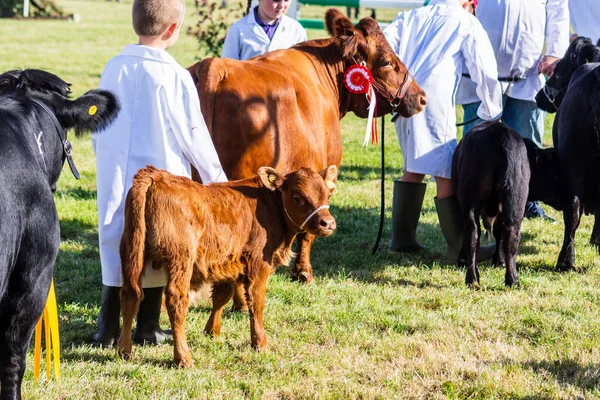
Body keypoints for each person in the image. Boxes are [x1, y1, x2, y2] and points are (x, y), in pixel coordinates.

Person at [92, 0, 228, 348]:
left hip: (116, 169)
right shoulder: (174, 75)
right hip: (160, 175)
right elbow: (193, 133)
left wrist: (102, 156)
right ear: (172, 30)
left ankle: (107, 327)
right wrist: (217, 181)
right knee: (156, 240)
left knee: (116, 235)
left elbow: (99, 119)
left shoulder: (113, 66)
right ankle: (149, 325)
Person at [383, 0, 502, 260]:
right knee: (445, 170)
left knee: (413, 166)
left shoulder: (411, 16)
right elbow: (484, 67)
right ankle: (461, 248)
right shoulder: (464, 20)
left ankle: (401, 240)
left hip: (404, 94)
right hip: (432, 101)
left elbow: (384, 43)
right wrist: (491, 111)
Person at [459, 0, 569, 222]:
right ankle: (467, 204)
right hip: (480, 71)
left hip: (528, 71)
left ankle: (527, 202)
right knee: (475, 145)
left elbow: (558, 7)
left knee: (527, 146)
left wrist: (555, 52)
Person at [221, 0, 307, 60]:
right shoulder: (238, 30)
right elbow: (228, 69)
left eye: (286, 0)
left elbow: (302, 68)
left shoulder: (297, 30)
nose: (281, 5)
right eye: (276, 0)